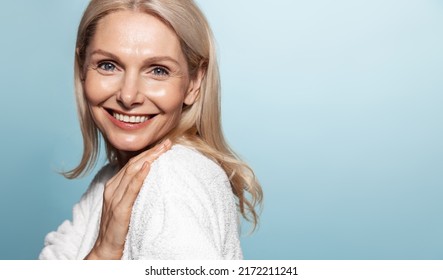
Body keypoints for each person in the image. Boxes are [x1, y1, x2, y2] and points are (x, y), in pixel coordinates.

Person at [39, 0, 262, 260]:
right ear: (82, 69)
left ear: (194, 83)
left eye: (158, 70)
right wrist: (102, 252)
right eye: (108, 65)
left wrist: (103, 254)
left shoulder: (170, 179)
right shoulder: (111, 179)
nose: (128, 95)